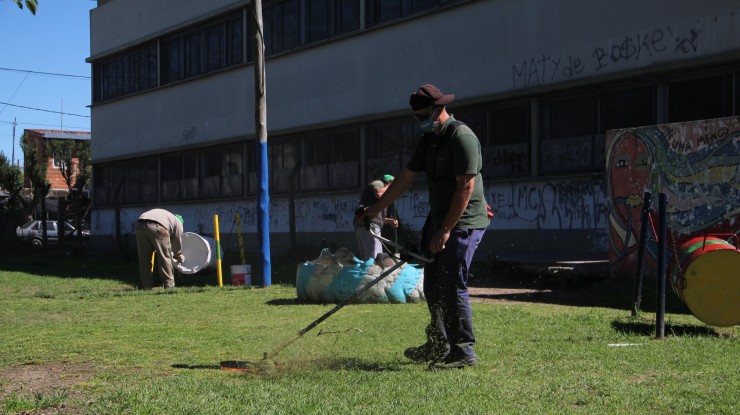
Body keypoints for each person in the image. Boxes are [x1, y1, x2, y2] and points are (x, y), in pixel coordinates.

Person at [358, 84, 489, 370]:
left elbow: (465, 188)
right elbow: (404, 179)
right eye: (416, 118)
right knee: (432, 286)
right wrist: (373, 211)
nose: (420, 122)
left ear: (439, 108)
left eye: (423, 116)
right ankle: (439, 342)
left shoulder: (461, 137)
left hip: (463, 222)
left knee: (452, 284)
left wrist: (445, 231)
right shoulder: (429, 141)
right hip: (439, 218)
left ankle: (463, 352)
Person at [135, 208, 184, 289]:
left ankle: (146, 285)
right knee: (164, 257)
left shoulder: (167, 216)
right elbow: (177, 241)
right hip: (158, 226)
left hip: (140, 225)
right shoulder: (178, 223)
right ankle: (169, 285)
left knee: (144, 258)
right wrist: (178, 254)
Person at [355, 179, 399, 261]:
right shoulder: (379, 184)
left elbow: (378, 217)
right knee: (374, 257)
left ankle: (369, 271)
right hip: (369, 225)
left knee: (367, 257)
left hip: (368, 225)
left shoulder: (380, 198)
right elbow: (378, 193)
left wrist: (389, 221)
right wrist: (391, 186)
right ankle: (373, 272)